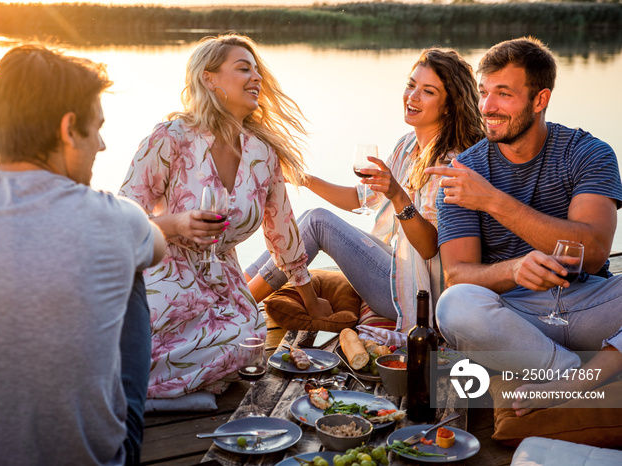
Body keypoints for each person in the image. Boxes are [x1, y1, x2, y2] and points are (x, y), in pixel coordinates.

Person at [0, 45, 166, 465]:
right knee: (131, 274)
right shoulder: (118, 219)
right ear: (69, 129)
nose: (103, 145)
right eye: (97, 128)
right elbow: (158, 247)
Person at [118, 33, 331, 400]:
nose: (257, 78)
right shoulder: (171, 137)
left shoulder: (262, 154)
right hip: (165, 270)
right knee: (141, 337)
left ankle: (147, 389)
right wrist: (174, 224)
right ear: (209, 78)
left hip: (225, 283)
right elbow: (121, 219)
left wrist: (312, 302)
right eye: (243, 68)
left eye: (257, 70)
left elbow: (282, 230)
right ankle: (135, 387)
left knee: (245, 342)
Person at [427, 37, 622, 404]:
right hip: (515, 318)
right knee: (454, 305)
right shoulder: (464, 170)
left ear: (540, 100)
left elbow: (594, 252)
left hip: (588, 303)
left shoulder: (587, 152)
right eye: (484, 92)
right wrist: (513, 271)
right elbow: (457, 273)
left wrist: (492, 200)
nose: (487, 106)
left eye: (503, 94)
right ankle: (576, 375)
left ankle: (571, 384)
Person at [244, 47, 485, 332]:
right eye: (411, 85)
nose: (413, 97)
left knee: (317, 222)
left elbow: (429, 247)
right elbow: (359, 198)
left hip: (419, 292)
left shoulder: (448, 163)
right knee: (311, 218)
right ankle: (236, 287)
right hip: (397, 265)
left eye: (428, 91)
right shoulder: (407, 146)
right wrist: (303, 179)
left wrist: (397, 195)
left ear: (449, 104)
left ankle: (240, 304)